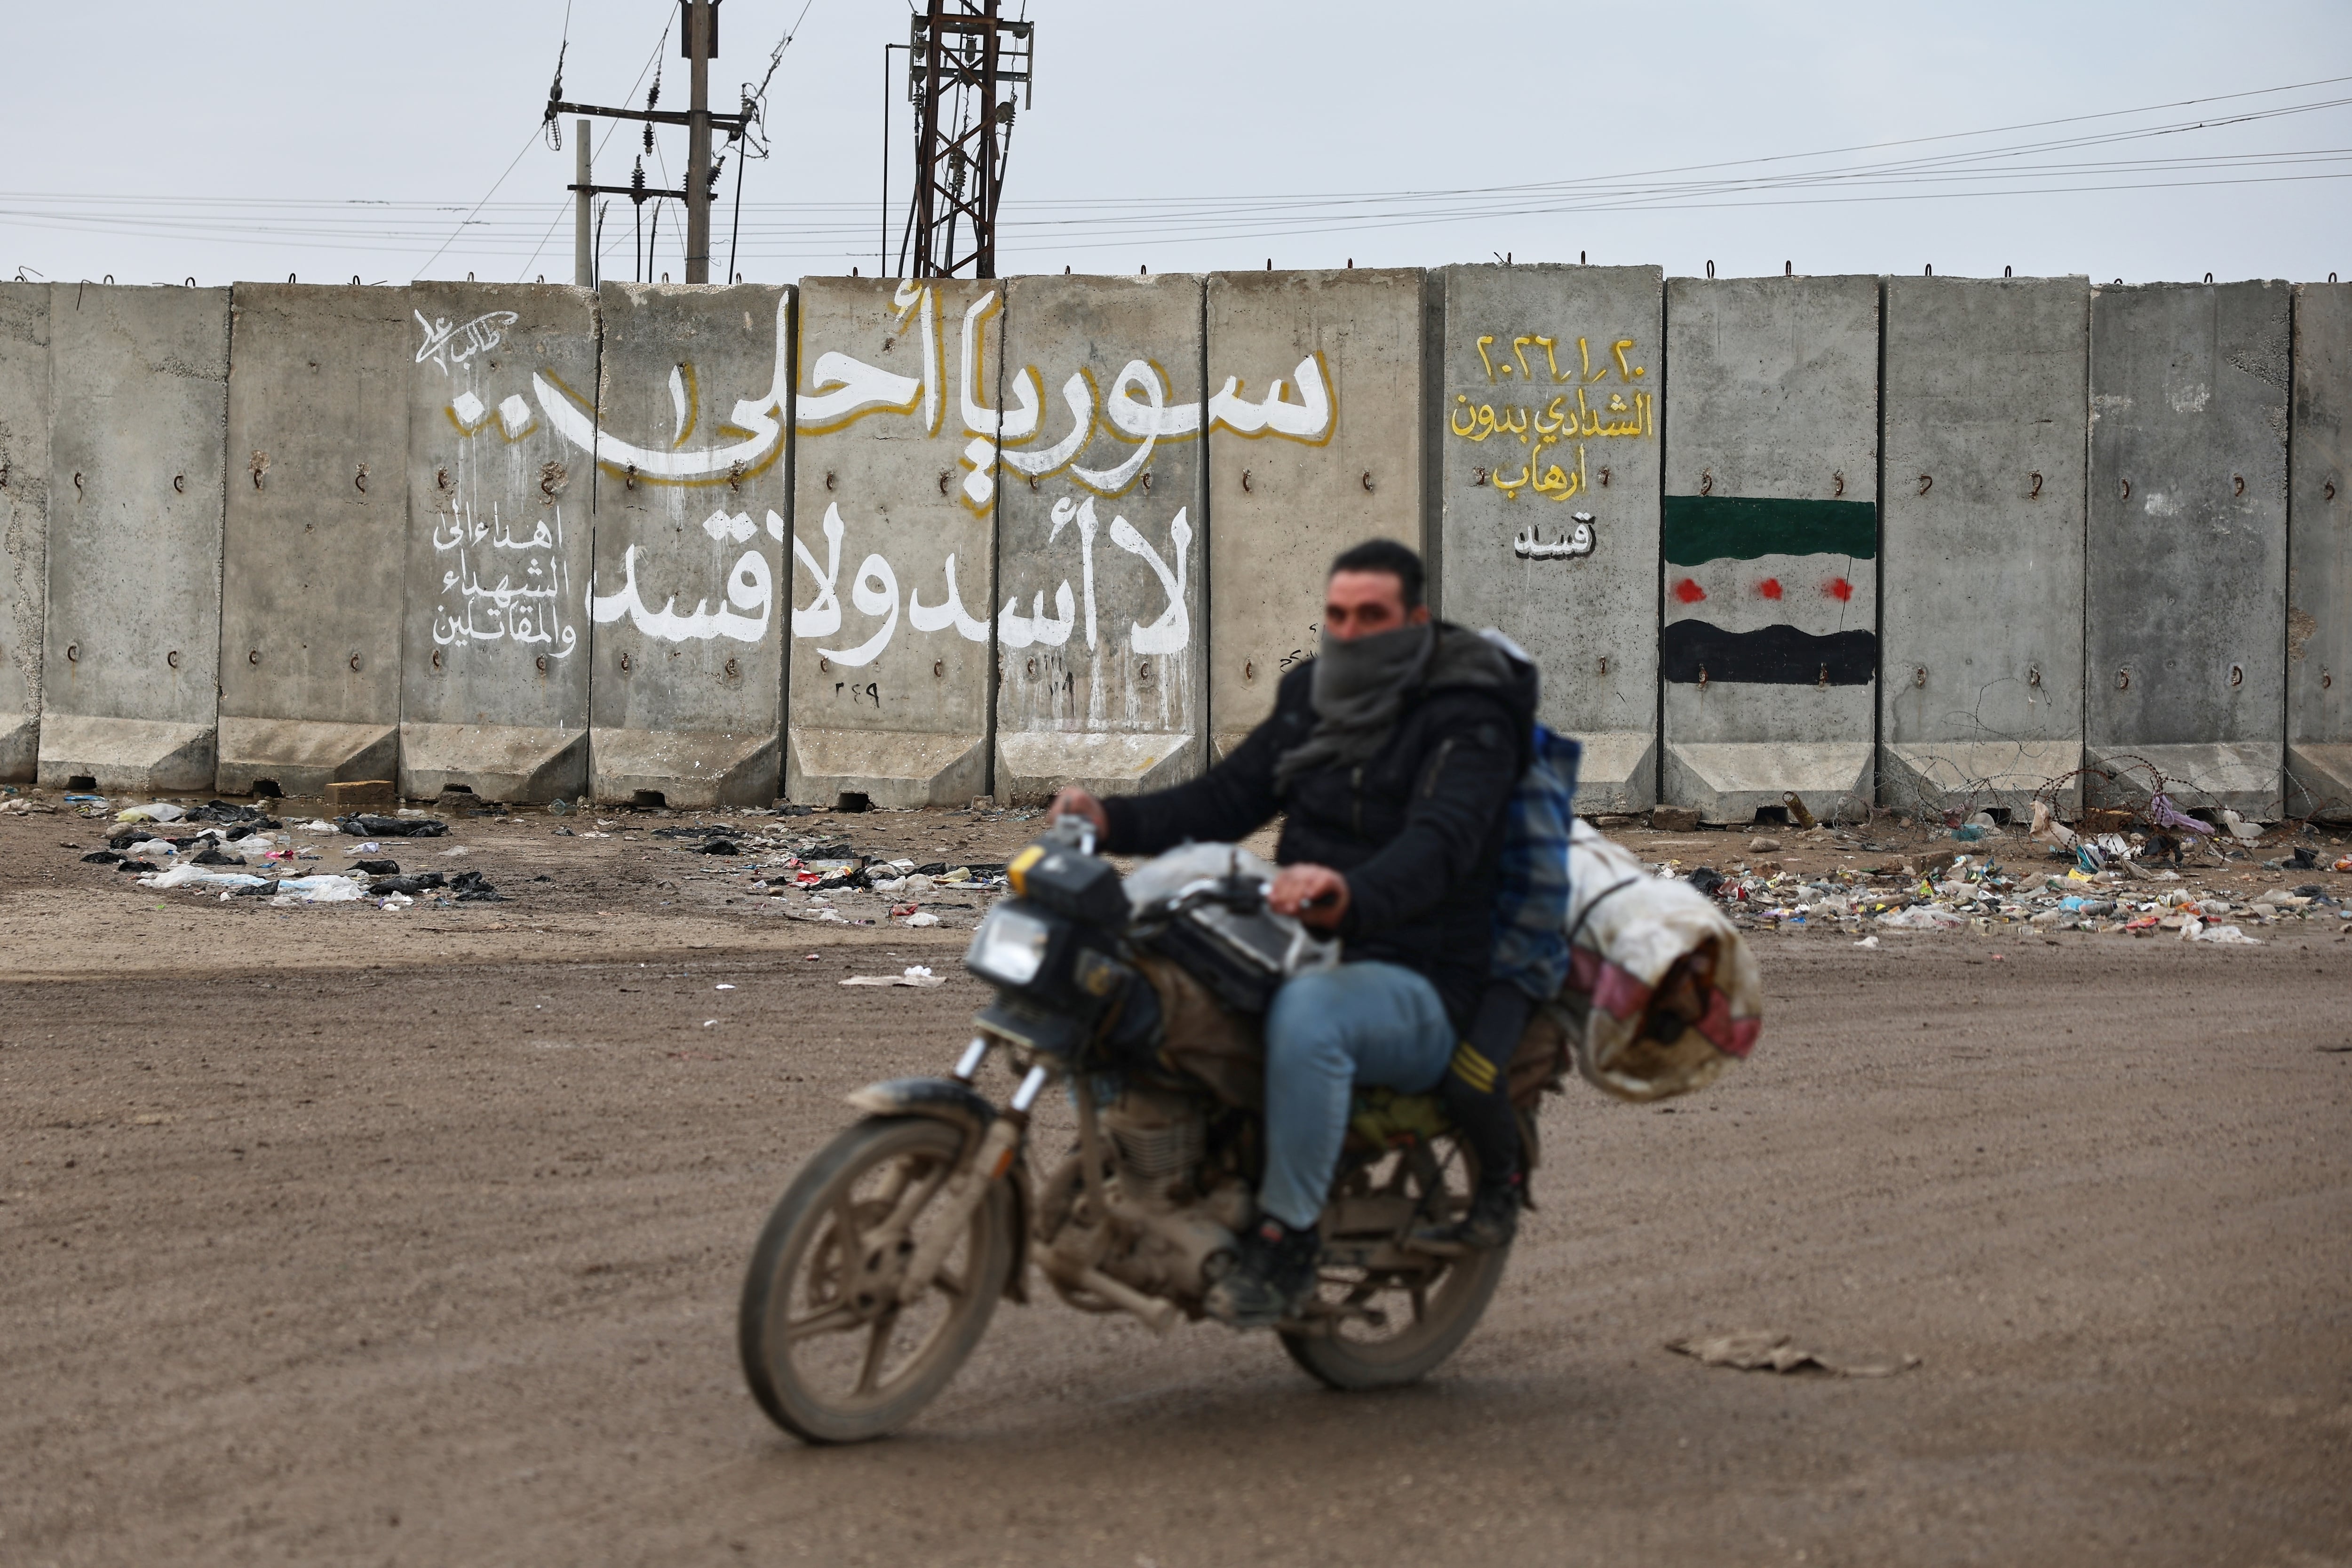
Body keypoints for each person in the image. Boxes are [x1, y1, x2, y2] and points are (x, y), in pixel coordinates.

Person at [1048, 540, 1537, 1327]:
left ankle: (1289, 1239)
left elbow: (1440, 845)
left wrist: (1351, 892)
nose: (1350, 633)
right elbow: (1229, 798)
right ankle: (1148, 1164)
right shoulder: (1313, 694)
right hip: (1306, 934)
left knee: (1311, 1020)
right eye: (1337, 616)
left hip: (1421, 972)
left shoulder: (1468, 720)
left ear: (1414, 623)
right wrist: (1112, 819)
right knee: (1138, 963)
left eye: (1371, 617)